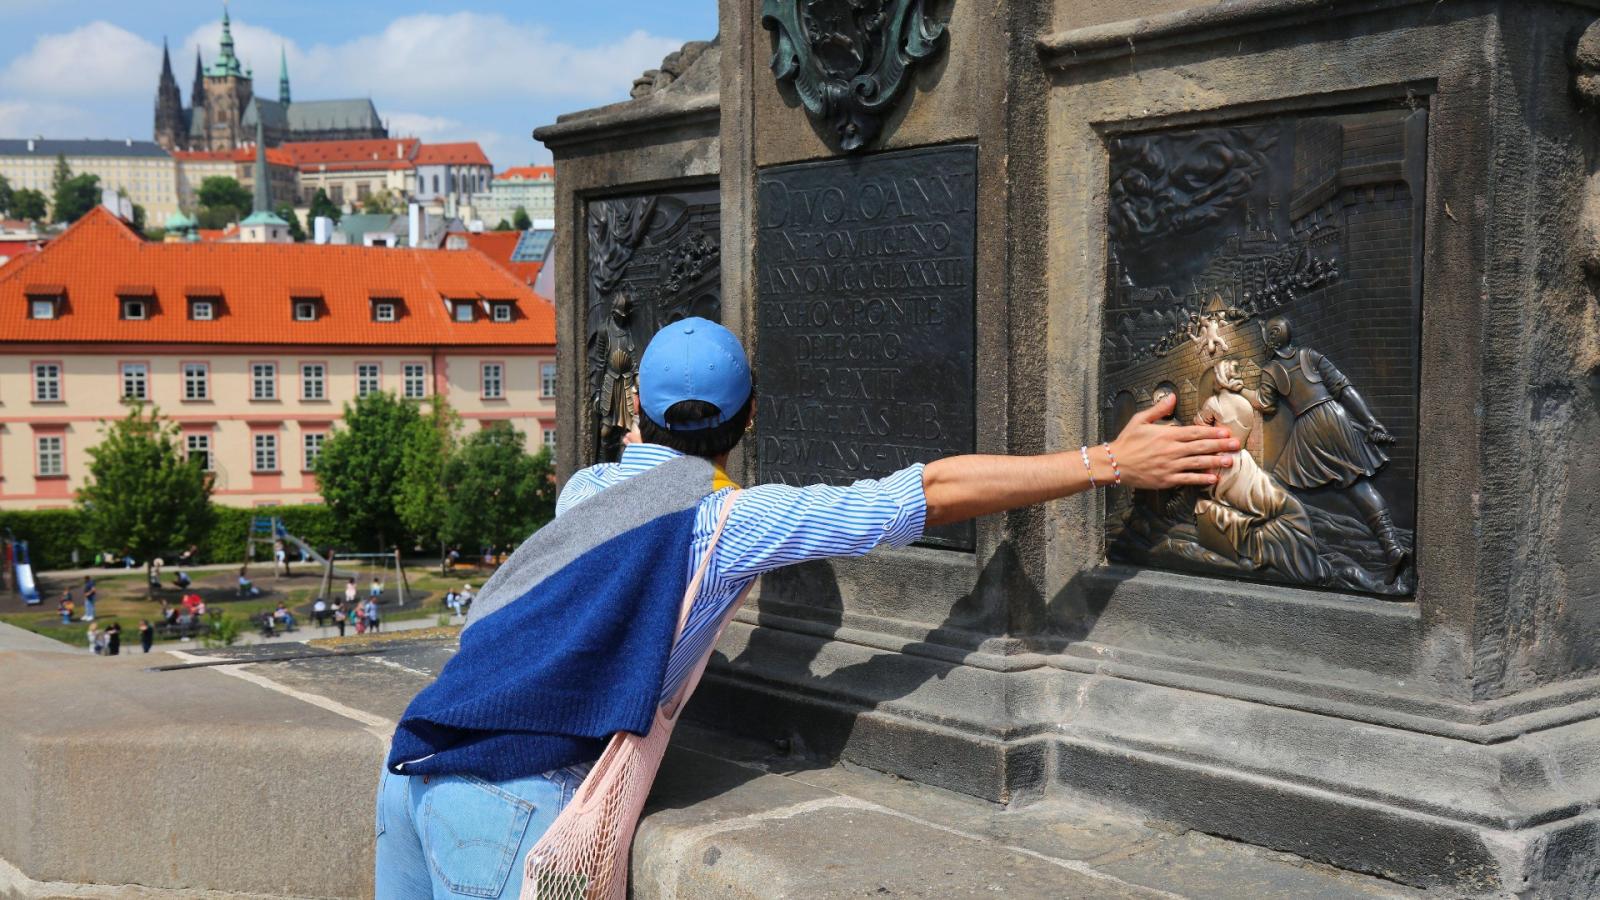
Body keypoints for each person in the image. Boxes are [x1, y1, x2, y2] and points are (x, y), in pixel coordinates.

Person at [375, 317, 1236, 896]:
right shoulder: (730, 524)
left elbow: (637, 482)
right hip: (510, 799)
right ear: (748, 421)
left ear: (632, 408)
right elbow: (926, 491)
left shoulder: (587, 489)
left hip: (414, 761)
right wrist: (1108, 462)